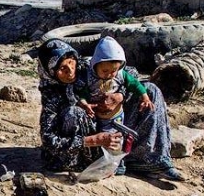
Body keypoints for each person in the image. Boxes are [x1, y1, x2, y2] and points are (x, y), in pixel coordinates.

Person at [37, 38, 184, 181]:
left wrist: (119, 96)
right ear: (51, 72)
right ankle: (101, 163)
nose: (70, 71)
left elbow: (129, 72)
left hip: (112, 124)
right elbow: (49, 140)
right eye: (62, 68)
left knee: (150, 90)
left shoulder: (88, 65)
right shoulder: (51, 93)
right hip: (84, 147)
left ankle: (149, 160)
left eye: (71, 63)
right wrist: (93, 140)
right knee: (74, 112)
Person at [76, 36, 153, 133]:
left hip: (117, 116)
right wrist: (85, 104)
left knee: (116, 139)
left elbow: (135, 84)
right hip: (95, 117)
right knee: (101, 139)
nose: (109, 74)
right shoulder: (88, 78)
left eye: (114, 70)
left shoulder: (121, 75)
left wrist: (145, 97)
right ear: (95, 65)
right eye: (105, 71)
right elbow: (82, 94)